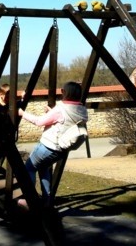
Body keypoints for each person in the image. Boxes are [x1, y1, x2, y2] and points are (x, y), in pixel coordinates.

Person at [16, 80, 88, 209]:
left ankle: (29, 200)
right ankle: (47, 201)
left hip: (48, 147)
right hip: (61, 150)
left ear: (63, 92)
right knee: (43, 169)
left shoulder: (60, 110)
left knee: (29, 169)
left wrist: (22, 113)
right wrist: (51, 112)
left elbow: (39, 122)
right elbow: (65, 122)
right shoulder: (81, 110)